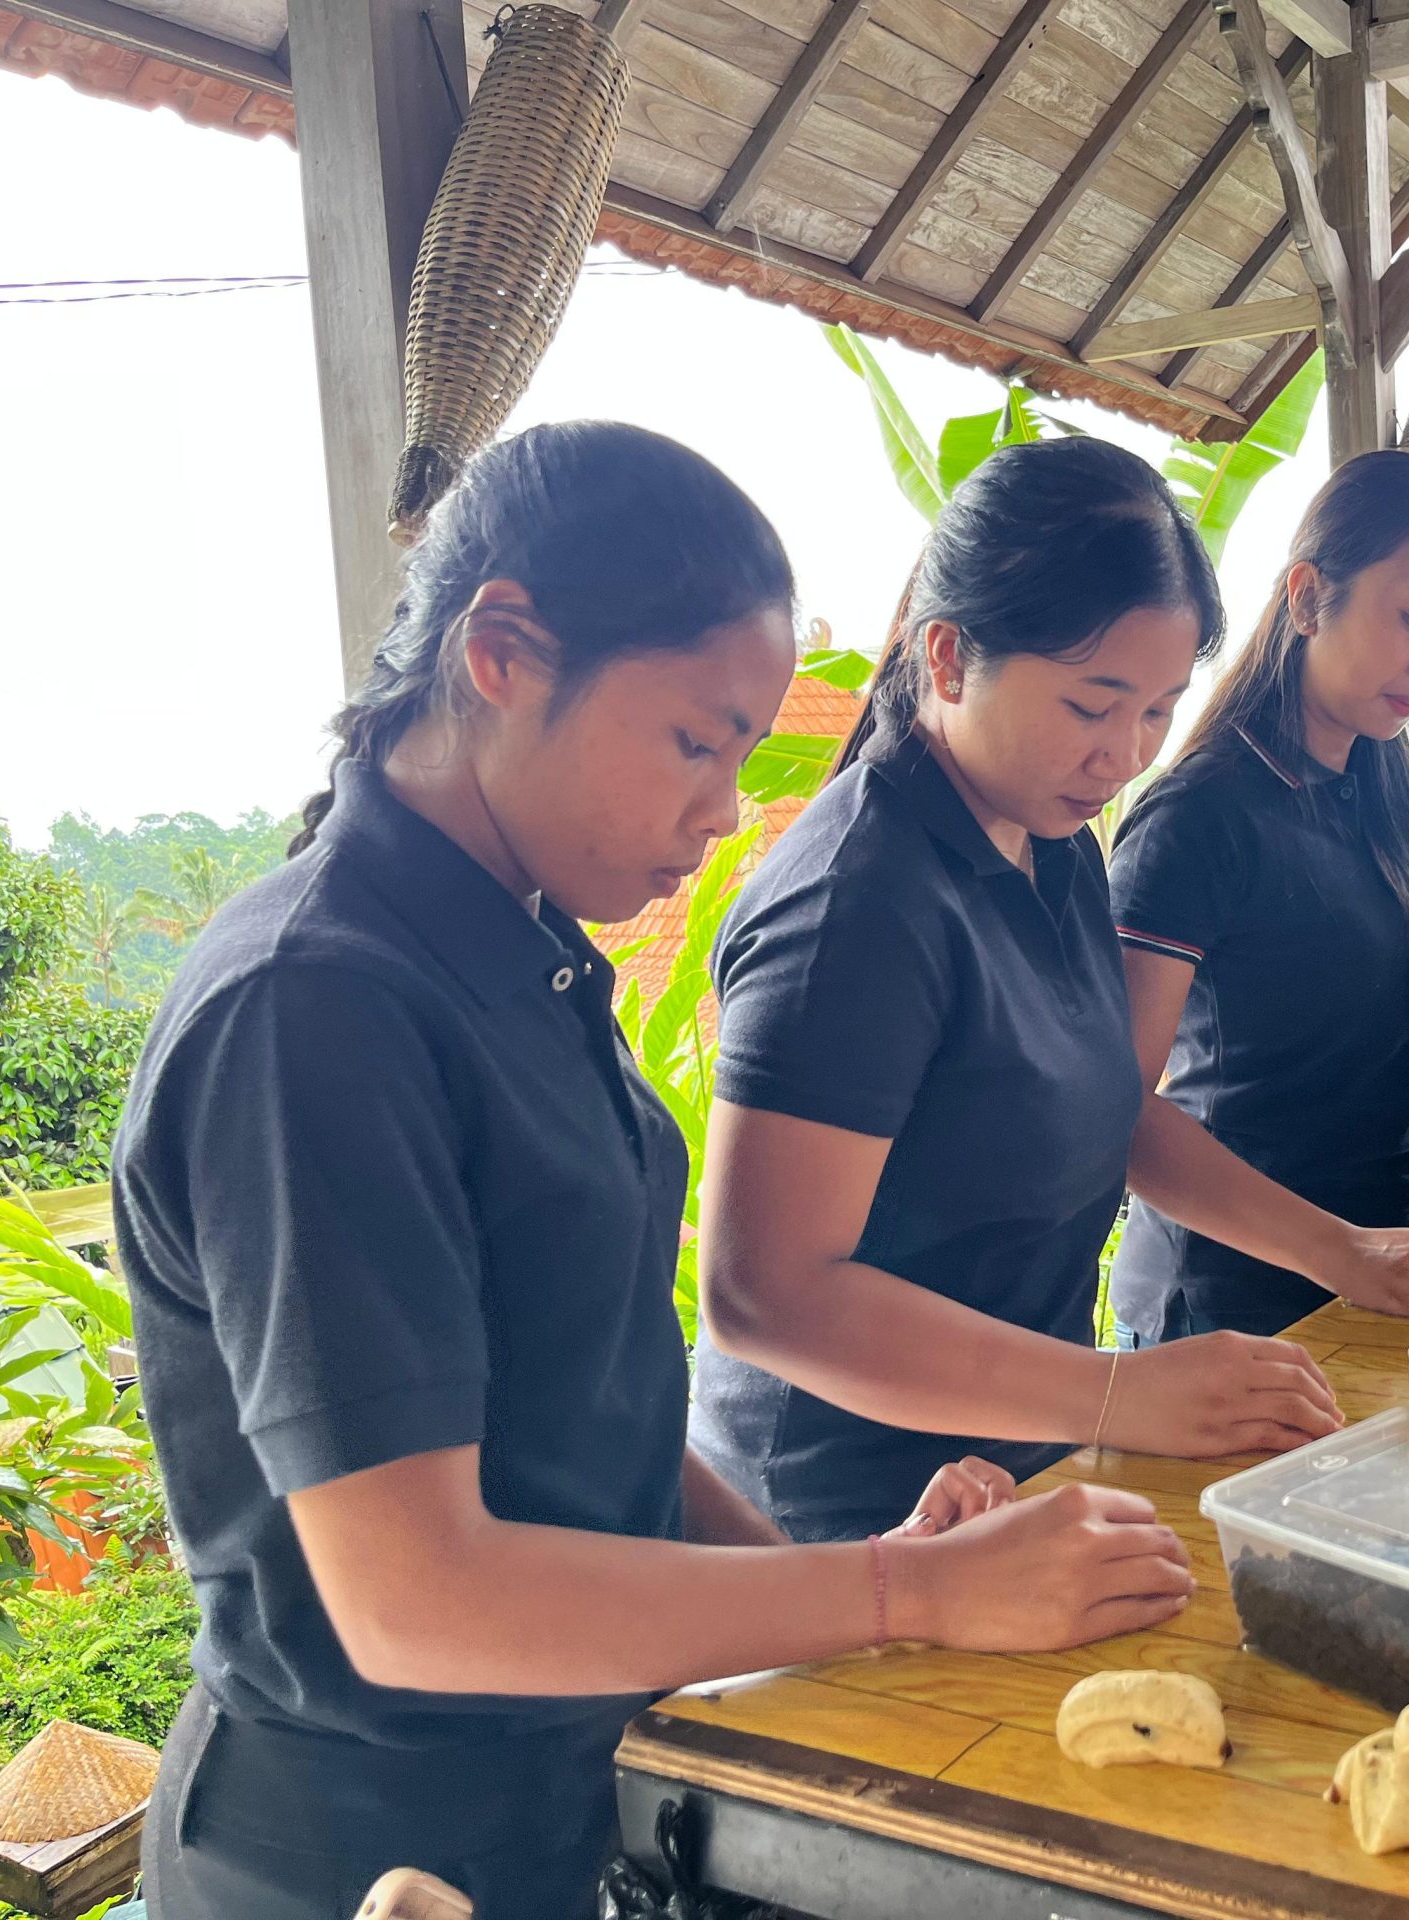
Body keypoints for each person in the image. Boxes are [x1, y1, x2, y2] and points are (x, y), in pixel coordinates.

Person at [114, 424, 1193, 1920]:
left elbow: (594, 1404)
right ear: (500, 651)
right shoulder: (317, 1009)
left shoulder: (523, 952)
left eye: (744, 754)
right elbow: (415, 1596)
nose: (725, 810)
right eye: (696, 742)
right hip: (363, 1840)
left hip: (565, 1780)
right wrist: (908, 1595)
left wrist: (859, 1598)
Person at [692, 438, 1343, 1544]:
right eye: (1092, 706)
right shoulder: (860, 900)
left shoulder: (1056, 845)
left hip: (1010, 1466)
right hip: (843, 1511)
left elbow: (1108, 1108)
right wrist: (1118, 1393)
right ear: (946, 659)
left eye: (1155, 710)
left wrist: (1346, 1254)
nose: (1123, 755)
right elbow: (766, 1292)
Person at [1104, 451, 1409, 1343]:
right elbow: (1118, 1114)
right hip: (1224, 1308)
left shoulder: (1375, 793)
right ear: (1305, 597)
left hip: (1365, 1282)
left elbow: (1336, 1080)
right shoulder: (1199, 816)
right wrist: (1349, 1254)